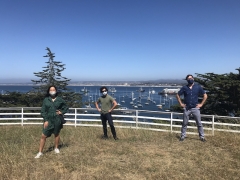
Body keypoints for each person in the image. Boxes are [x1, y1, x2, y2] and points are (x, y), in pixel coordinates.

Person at [35, 85, 69, 158]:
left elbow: (66, 107)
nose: (52, 91)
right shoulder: (46, 100)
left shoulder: (60, 99)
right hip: (49, 119)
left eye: (53, 90)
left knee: (56, 133)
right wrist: (45, 120)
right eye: (51, 90)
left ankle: (56, 148)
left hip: (57, 119)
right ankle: (40, 152)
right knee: (43, 135)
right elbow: (43, 111)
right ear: (48, 91)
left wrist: (61, 112)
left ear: (56, 91)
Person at [176, 74, 207, 142]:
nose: (190, 80)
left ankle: (202, 137)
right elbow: (177, 95)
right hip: (187, 108)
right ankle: (183, 136)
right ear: (187, 80)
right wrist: (181, 103)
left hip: (195, 108)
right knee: (184, 123)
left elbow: (205, 95)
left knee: (199, 123)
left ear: (193, 79)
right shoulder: (184, 88)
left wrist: (201, 104)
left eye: (191, 78)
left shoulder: (198, 87)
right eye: (188, 79)